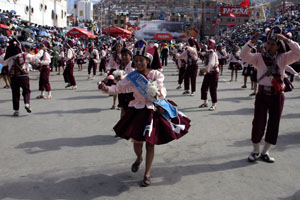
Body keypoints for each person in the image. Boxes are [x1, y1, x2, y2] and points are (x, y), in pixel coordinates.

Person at [98, 40, 191, 187]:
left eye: (141, 60)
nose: (139, 63)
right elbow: (117, 89)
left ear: (148, 60)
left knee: (150, 143)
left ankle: (147, 173)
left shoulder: (155, 74)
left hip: (152, 111)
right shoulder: (132, 77)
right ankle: (139, 158)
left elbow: (162, 90)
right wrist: (105, 89)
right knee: (137, 141)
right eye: (136, 60)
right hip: (138, 111)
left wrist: (157, 92)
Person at [240, 27, 300, 163]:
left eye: (273, 44)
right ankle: (255, 150)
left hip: (277, 95)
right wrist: (251, 42)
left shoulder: (284, 57)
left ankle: (265, 151)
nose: (269, 46)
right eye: (268, 43)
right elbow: (243, 56)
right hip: (262, 94)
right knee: (258, 123)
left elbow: (298, 53)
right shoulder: (258, 58)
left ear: (278, 46)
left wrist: (286, 39)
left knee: (274, 123)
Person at [4, 39, 35, 116]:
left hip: (13, 77)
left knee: (15, 94)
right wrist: (42, 51)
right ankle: (27, 103)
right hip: (24, 76)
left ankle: (16, 110)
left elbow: (3, 63)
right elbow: (34, 58)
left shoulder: (9, 58)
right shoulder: (25, 55)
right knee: (26, 91)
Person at [198, 40, 219, 111]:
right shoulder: (207, 53)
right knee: (204, 88)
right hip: (208, 72)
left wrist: (203, 70)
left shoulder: (212, 53)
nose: (205, 48)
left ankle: (214, 104)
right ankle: (205, 102)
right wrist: (204, 71)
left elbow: (211, 64)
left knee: (213, 89)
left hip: (213, 73)